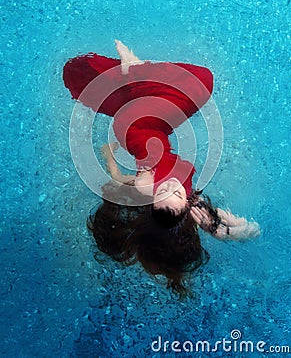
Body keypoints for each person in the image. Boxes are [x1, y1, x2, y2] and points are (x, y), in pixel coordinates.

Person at [63, 40, 260, 296]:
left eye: (163, 193)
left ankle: (135, 71)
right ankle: (135, 83)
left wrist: (110, 158)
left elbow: (121, 180)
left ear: (152, 203)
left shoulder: (147, 187)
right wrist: (233, 231)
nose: (171, 187)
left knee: (201, 83)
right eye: (176, 193)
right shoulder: (184, 206)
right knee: (197, 84)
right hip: (155, 128)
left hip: (137, 128)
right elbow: (206, 215)